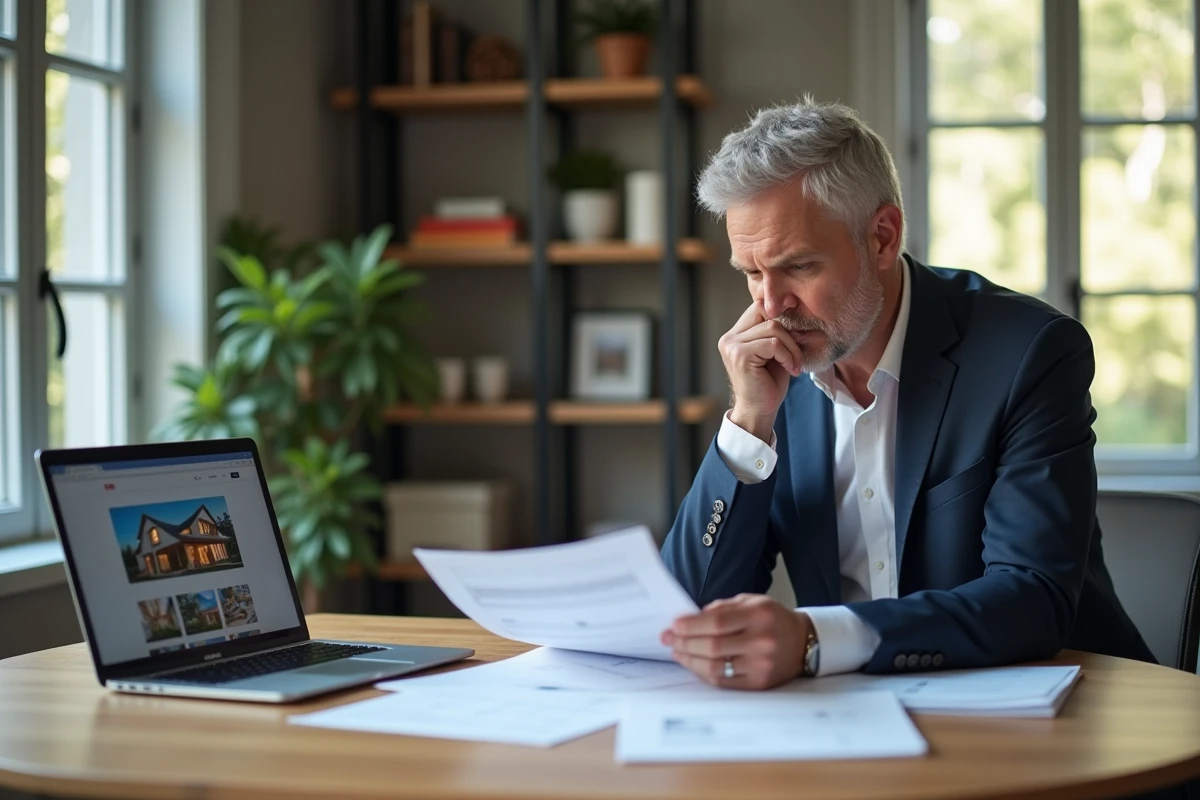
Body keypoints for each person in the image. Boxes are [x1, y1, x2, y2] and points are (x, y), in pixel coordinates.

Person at [659, 97, 1153, 691]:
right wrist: (747, 426)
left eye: (799, 266)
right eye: (751, 272)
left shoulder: (1030, 353)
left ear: (883, 237)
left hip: (1060, 716)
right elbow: (684, 613)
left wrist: (817, 639)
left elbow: (1033, 597)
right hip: (852, 721)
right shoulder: (771, 376)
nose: (770, 304)